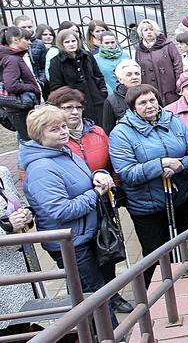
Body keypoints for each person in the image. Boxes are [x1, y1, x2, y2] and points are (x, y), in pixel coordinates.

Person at [19, 105, 119, 326]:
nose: (64, 131)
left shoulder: (64, 152)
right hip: (71, 243)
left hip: (85, 235)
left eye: (64, 126)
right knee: (95, 298)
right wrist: (95, 193)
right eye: (55, 129)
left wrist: (98, 175)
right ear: (39, 133)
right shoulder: (40, 168)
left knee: (90, 294)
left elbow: (82, 179)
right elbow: (61, 210)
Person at [46, 86, 133, 313]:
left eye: (78, 107)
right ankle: (92, 309)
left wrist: (112, 182)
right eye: (67, 108)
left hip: (103, 201)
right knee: (83, 269)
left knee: (107, 250)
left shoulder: (96, 132)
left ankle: (112, 295)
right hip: (76, 211)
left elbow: (110, 162)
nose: (74, 112)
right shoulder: (54, 142)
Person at [109, 84, 188, 286]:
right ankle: (151, 300)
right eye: (143, 102)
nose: (149, 105)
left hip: (177, 199)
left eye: (152, 100)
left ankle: (183, 292)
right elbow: (126, 172)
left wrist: (179, 166)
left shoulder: (173, 121)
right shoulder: (121, 133)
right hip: (147, 205)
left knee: (180, 251)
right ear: (132, 107)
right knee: (155, 257)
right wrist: (159, 165)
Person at [0, 165, 36, 336]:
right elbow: (7, 224)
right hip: (3, 277)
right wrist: (6, 227)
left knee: (22, 324)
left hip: (20, 269)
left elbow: (17, 204)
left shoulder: (2, 173)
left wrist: (27, 214)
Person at [49, 29, 107, 126]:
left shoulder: (87, 55)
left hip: (96, 99)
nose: (71, 44)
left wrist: (102, 92)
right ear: (61, 44)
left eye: (73, 41)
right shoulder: (56, 62)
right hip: (76, 104)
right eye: (67, 42)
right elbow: (56, 86)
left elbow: (98, 75)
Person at [0, 26, 40, 140]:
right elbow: (11, 85)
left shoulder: (12, 57)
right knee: (29, 141)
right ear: (15, 40)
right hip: (19, 108)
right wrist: (32, 87)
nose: (29, 43)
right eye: (26, 39)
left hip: (19, 107)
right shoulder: (12, 59)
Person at [135, 19, 183, 106]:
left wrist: (179, 85)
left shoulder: (167, 45)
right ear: (141, 33)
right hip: (149, 89)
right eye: (145, 30)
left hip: (169, 88)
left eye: (151, 29)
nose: (149, 32)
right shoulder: (139, 49)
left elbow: (178, 64)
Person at [102, 60, 141, 134]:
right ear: (120, 79)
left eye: (137, 74)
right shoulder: (111, 101)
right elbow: (108, 131)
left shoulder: (150, 93)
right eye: (129, 75)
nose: (134, 77)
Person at [14, 16, 47, 90]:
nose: (27, 29)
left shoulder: (39, 44)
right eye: (23, 27)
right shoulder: (13, 43)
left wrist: (41, 81)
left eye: (30, 27)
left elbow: (43, 66)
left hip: (35, 81)